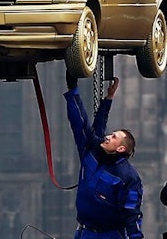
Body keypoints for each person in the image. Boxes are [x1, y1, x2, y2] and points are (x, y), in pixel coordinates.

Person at [64, 75, 144, 239]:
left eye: (114, 137)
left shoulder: (128, 177)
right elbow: (81, 122)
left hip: (110, 235)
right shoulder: (92, 151)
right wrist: (73, 89)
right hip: (84, 233)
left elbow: (132, 213)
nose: (108, 137)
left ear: (121, 148)